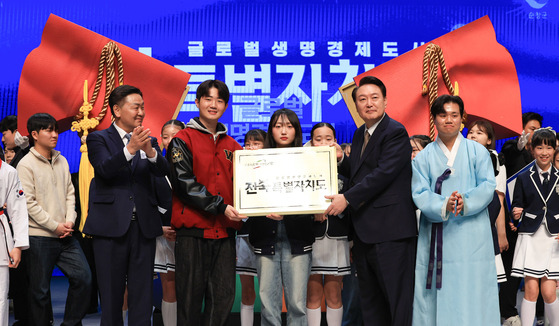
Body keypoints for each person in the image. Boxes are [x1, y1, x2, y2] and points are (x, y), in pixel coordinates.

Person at [324, 76, 417, 326]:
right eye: (362, 99)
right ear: (356, 105)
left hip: (391, 232)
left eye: (374, 98)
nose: (368, 103)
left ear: (385, 101)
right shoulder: (358, 134)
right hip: (365, 233)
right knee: (371, 303)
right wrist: (343, 160)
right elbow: (360, 172)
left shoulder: (395, 132)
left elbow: (383, 174)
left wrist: (347, 199)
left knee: (397, 301)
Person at [85, 85, 169, 325]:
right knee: (111, 294)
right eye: (136, 107)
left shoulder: (148, 140)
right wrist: (131, 148)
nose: (141, 112)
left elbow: (163, 171)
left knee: (142, 294)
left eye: (143, 107)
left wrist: (150, 152)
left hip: (143, 227)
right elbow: (104, 169)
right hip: (110, 228)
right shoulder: (98, 138)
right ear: (117, 110)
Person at [411, 95, 499, 324]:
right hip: (438, 235)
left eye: (454, 115)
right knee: (436, 296)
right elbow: (419, 192)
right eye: (442, 115)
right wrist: (443, 204)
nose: (448, 120)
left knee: (473, 289)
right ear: (434, 119)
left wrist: (465, 202)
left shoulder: (478, 152)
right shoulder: (424, 158)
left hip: (473, 238)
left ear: (462, 119)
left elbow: (488, 185)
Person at [167, 79, 244, 326]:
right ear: (198, 102)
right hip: (193, 233)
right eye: (208, 99)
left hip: (224, 234)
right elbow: (184, 184)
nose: (214, 105)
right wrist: (221, 206)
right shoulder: (182, 139)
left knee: (222, 299)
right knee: (189, 301)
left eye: (220, 100)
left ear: (226, 106)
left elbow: (246, 184)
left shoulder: (232, 145)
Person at [17, 113, 92, 326]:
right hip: (39, 236)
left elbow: (71, 193)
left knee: (84, 279)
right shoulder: (25, 165)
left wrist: (70, 221)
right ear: (34, 134)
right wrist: (54, 226)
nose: (54, 135)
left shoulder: (62, 159)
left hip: (65, 234)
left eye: (55, 130)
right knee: (39, 291)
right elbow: (28, 203)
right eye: (48, 130)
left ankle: (70, 323)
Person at [248, 108, 315, 326]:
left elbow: (316, 192)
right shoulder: (254, 161)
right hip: (265, 235)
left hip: (298, 237)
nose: (283, 131)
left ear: (296, 130)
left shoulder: (310, 160)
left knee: (297, 303)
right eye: (278, 126)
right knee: (268, 303)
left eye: (289, 126)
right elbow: (248, 194)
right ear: (270, 131)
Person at [510, 128, 559, 326]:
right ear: (532, 150)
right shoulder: (523, 177)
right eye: (539, 147)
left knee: (549, 292)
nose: (544, 152)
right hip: (530, 236)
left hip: (553, 238)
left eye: (549, 147)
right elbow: (516, 203)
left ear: (555, 149)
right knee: (531, 290)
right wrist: (516, 211)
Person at [499, 112, 544, 326]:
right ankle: (508, 312)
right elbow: (509, 151)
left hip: (536, 222)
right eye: (531, 128)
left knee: (539, 269)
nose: (534, 132)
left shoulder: (541, 154)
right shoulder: (512, 148)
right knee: (512, 269)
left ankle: (543, 314)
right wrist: (519, 143)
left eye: (538, 128)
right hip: (512, 220)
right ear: (522, 128)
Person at [306, 122, 350, 326]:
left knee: (334, 293)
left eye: (328, 138)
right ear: (311, 142)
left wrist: (343, 159)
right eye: (318, 139)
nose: (324, 143)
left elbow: (358, 192)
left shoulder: (345, 167)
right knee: (312, 294)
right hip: (309, 237)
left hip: (336, 235)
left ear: (335, 140)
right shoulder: (301, 167)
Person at [467, 120, 508, 283]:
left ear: (490, 140)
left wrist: (501, 233)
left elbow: (498, 198)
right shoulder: (461, 157)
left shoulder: (495, 160)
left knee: (489, 278)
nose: (473, 136)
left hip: (487, 221)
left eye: (479, 133)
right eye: (471, 132)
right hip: (467, 221)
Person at [154, 119, 185, 326]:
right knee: (169, 284)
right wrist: (160, 227)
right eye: (166, 136)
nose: (170, 140)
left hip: (189, 233)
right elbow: (144, 202)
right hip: (161, 234)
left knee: (190, 286)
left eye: (176, 136)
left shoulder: (193, 166)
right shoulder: (153, 167)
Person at [236, 129, 266, 326]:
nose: (251, 147)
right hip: (244, 235)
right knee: (247, 290)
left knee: (269, 290)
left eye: (257, 143)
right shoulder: (236, 170)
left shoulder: (276, 169)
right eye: (248, 143)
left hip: (268, 236)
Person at [0, 157, 29, 325]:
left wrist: (18, 245)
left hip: (1, 236)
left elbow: (18, 210)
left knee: (1, 297)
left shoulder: (8, 171)